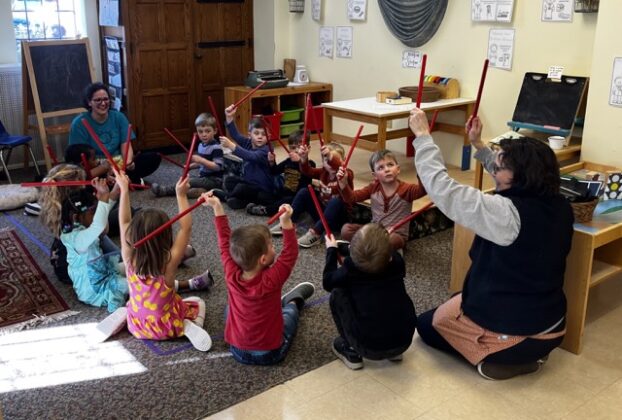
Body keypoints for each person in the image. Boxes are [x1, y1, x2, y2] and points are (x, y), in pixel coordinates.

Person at [408, 109, 573, 380]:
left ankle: (506, 358)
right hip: (552, 321)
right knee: (454, 303)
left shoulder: (506, 213)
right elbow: (505, 173)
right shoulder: (559, 203)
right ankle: (518, 352)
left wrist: (423, 137)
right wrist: (477, 143)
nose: (494, 168)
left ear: (521, 176)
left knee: (428, 325)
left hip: (520, 331)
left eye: (500, 165)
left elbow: (443, 190)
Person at [202, 192, 315, 365]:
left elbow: (224, 243)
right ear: (263, 259)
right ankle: (293, 301)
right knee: (290, 314)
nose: (273, 247)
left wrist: (217, 207)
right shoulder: (272, 280)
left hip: (237, 351)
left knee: (230, 309)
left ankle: (280, 304)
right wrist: (286, 222)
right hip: (270, 354)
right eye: (271, 246)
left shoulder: (231, 273)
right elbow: (290, 254)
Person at [113, 170, 213, 351]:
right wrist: (180, 195)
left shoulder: (128, 257)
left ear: (133, 235)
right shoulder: (168, 262)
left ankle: (127, 316)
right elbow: (186, 228)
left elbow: (124, 221)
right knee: (198, 302)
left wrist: (124, 190)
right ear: (165, 237)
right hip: (167, 327)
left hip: (137, 326)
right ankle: (189, 326)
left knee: (141, 306)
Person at [323, 223, 417, 370]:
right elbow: (378, 255)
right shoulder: (397, 262)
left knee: (338, 293)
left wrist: (331, 251)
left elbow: (328, 281)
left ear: (352, 251)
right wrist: (382, 240)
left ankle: (351, 350)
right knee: (394, 294)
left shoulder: (351, 268)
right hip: (403, 341)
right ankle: (394, 353)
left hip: (368, 348)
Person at [39, 163, 119, 283]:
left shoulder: (63, 207)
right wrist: (103, 198)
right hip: (78, 270)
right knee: (127, 261)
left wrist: (112, 193)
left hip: (62, 262)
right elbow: (103, 231)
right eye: (83, 185)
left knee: (120, 254)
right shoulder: (80, 212)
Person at [68, 82, 161, 184]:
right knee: (80, 177)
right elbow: (79, 159)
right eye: (98, 100)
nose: (103, 103)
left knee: (153, 157)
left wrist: (127, 163)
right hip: (96, 167)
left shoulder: (119, 117)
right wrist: (103, 169)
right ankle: (124, 180)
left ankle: (118, 180)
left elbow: (126, 145)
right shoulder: (79, 123)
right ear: (89, 102)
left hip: (118, 163)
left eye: (106, 99)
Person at [59, 178, 128, 312]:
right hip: (95, 290)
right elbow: (99, 225)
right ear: (76, 218)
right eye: (93, 212)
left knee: (133, 264)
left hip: (104, 273)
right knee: (136, 284)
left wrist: (117, 187)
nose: (96, 215)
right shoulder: (76, 238)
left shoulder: (83, 227)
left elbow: (102, 223)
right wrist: (103, 196)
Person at [337, 149, 426, 251]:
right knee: (346, 230)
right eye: (381, 167)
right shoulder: (373, 188)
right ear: (375, 175)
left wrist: (422, 170)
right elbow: (351, 198)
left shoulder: (407, 189)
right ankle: (371, 248)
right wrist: (343, 184)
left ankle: (362, 247)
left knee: (394, 240)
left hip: (395, 234)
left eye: (390, 165)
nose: (387, 169)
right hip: (375, 232)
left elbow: (422, 190)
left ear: (398, 169)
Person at [271, 142, 353, 249]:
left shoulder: (347, 174)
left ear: (344, 160)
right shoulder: (323, 172)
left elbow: (345, 175)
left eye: (333, 160)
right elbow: (307, 171)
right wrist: (304, 159)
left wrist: (331, 158)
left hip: (339, 219)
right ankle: (288, 222)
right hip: (322, 215)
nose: (330, 164)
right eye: (326, 161)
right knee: (305, 192)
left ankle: (316, 233)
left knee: (335, 201)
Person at [152, 112, 225, 198]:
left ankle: (165, 190)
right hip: (203, 177)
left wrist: (201, 160)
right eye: (200, 131)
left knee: (189, 181)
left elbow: (217, 167)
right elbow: (203, 164)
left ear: (215, 131)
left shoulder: (216, 147)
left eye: (207, 131)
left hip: (215, 180)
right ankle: (204, 192)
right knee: (186, 181)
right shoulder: (201, 145)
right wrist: (190, 166)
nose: (204, 134)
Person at [246, 129, 315, 217]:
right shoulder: (288, 161)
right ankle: (270, 206)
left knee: (287, 201)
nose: (296, 151)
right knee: (263, 195)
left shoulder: (310, 164)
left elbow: (306, 181)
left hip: (297, 199)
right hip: (284, 194)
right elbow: (274, 171)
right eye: (293, 148)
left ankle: (265, 210)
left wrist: (300, 162)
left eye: (299, 147)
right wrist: (272, 162)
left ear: (308, 148)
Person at [220, 106, 276, 209]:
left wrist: (231, 146)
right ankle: (241, 201)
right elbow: (236, 135)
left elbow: (251, 156)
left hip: (261, 188)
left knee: (241, 188)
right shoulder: (248, 143)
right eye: (256, 133)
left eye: (264, 134)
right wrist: (229, 117)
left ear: (269, 137)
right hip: (248, 183)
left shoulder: (267, 149)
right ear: (250, 135)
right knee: (229, 181)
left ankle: (228, 197)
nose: (260, 136)